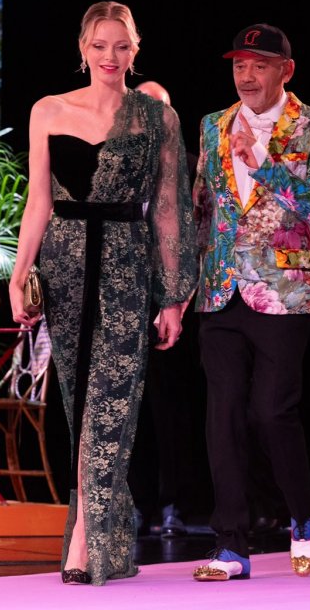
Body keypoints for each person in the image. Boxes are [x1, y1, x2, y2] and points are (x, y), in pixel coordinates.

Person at [9, 1, 197, 586]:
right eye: (99, 45)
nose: (109, 56)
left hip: (126, 267)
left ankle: (84, 541)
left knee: (111, 402)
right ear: (83, 49)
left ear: (134, 50)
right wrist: (20, 274)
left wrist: (173, 296)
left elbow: (170, 209)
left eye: (121, 46)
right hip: (64, 268)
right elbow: (38, 200)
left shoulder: (156, 116)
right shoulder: (48, 110)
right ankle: (105, 537)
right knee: (78, 402)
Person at [190, 23, 310, 582]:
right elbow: (201, 206)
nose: (247, 76)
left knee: (272, 411)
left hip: (285, 289)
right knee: (223, 415)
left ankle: (304, 512)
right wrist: (182, 287)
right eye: (239, 65)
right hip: (220, 287)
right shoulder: (212, 124)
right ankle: (231, 545)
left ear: (286, 70)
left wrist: (263, 163)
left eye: (259, 65)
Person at [129, 79, 197, 539]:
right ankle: (137, 504)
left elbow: (198, 239)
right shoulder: (117, 164)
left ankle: (174, 503)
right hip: (125, 295)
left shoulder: (189, 167)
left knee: (170, 409)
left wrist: (176, 298)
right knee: (129, 409)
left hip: (172, 300)